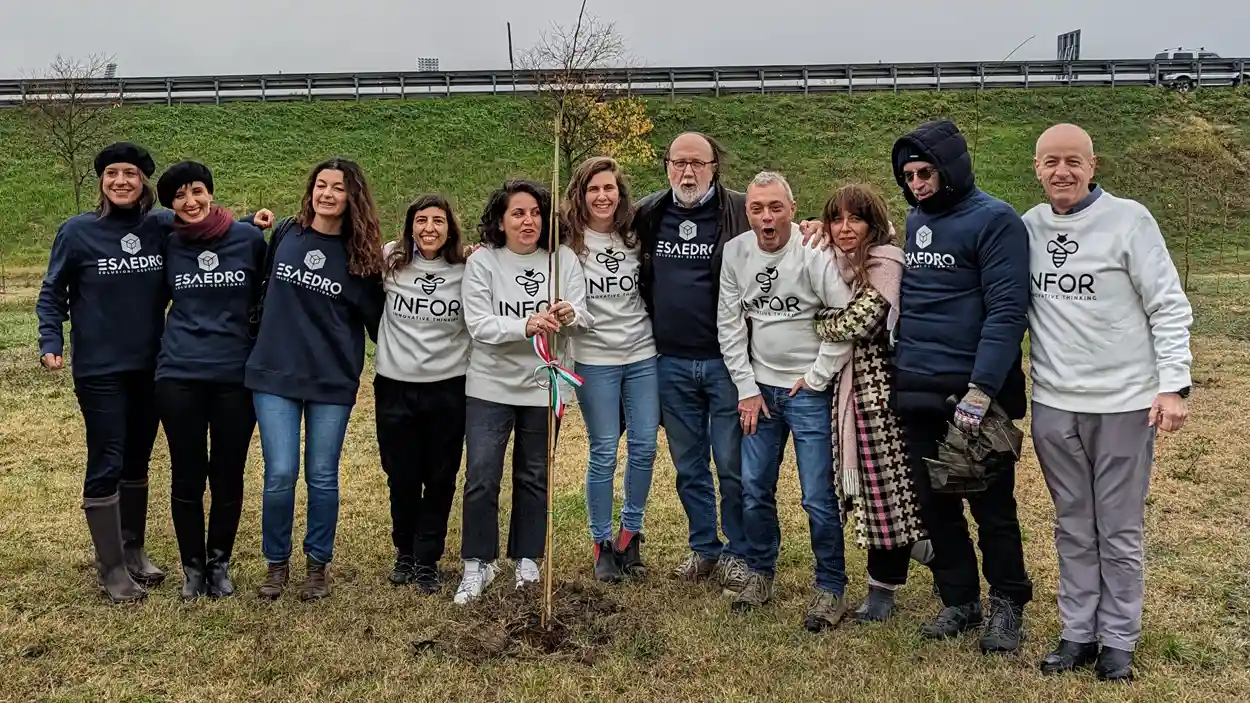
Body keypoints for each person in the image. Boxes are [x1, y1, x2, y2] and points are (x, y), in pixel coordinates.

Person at [1024, 123, 1193, 682]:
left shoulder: (1129, 220)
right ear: (1037, 167)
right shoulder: (1027, 228)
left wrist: (1173, 384)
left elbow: (1167, 304)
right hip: (1053, 401)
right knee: (1073, 525)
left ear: (1093, 166)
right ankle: (1078, 632)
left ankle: (1118, 637)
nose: (1062, 172)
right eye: (1051, 162)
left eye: (1073, 161)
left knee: (1117, 527)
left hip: (1123, 403)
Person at [886, 119, 1033, 654]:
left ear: (950, 168)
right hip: (917, 386)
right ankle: (960, 599)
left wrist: (982, 388)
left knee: (991, 505)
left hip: (972, 394)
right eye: (908, 175)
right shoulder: (916, 218)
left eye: (926, 172)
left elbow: (1006, 312)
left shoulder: (996, 221)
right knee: (933, 503)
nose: (918, 183)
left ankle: (1008, 602)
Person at [717, 172, 853, 631]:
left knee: (817, 496)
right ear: (747, 212)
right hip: (761, 392)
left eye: (775, 207)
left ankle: (829, 586)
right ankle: (759, 573)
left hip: (808, 393)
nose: (766, 217)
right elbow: (730, 325)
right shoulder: (736, 253)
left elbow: (843, 320)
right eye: (757, 208)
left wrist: (816, 378)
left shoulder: (815, 250)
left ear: (793, 209)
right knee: (754, 489)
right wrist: (747, 389)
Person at [36, 142, 171, 603]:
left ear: (144, 182)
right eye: (112, 173)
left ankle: (133, 552)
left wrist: (254, 225)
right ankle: (111, 569)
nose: (121, 181)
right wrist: (49, 339)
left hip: (151, 365)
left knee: (137, 459)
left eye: (130, 174)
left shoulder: (161, 227)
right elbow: (52, 291)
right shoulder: (77, 232)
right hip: (100, 370)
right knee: (107, 459)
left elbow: (208, 231)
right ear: (101, 180)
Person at [246, 157, 385, 602]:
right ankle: (276, 564)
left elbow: (382, 324)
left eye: (338, 187)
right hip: (274, 372)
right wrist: (250, 222)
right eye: (320, 185)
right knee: (280, 473)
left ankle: (317, 566)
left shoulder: (361, 256)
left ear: (352, 197)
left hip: (331, 378)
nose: (326, 193)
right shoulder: (287, 233)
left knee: (322, 475)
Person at [455, 179, 592, 604]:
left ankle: (527, 558)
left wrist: (569, 313)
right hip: (490, 385)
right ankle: (478, 562)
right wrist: (526, 325)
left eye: (535, 213)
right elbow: (478, 324)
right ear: (501, 220)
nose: (527, 221)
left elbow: (583, 316)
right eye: (518, 213)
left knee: (534, 476)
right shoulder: (484, 263)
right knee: (481, 475)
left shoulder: (562, 260)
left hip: (542, 385)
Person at [633, 132, 752, 594]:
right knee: (688, 466)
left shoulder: (740, 210)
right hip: (671, 362)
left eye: (697, 164)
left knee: (730, 463)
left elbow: (784, 233)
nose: (687, 172)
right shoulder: (649, 213)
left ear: (713, 167)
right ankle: (705, 546)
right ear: (666, 166)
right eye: (678, 163)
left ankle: (740, 551)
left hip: (726, 362)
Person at [811, 184, 928, 623]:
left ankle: (884, 588)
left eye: (854, 219)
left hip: (880, 395)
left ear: (872, 224)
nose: (844, 228)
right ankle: (922, 550)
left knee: (884, 493)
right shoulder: (833, 263)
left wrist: (818, 318)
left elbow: (860, 321)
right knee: (866, 494)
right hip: (843, 390)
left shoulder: (885, 263)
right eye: (836, 219)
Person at [153, 161, 267, 600]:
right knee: (186, 474)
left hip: (235, 376)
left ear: (211, 192)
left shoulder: (248, 238)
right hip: (179, 375)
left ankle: (220, 563)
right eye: (180, 196)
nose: (191, 201)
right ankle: (192, 569)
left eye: (197, 191)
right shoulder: (167, 243)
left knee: (227, 473)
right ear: (171, 206)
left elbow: (267, 293)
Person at [562, 156, 659, 583]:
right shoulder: (568, 244)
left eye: (609, 189)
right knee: (604, 450)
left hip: (642, 354)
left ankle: (629, 535)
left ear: (620, 193)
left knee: (644, 447)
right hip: (595, 359)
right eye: (593, 190)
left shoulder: (634, 236)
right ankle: (601, 542)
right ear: (581, 196)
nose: (602, 197)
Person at [374, 194, 470, 594]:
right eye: (421, 220)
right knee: (402, 475)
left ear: (450, 228)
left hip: (448, 388)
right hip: (395, 386)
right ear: (410, 225)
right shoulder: (389, 259)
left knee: (441, 476)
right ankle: (405, 552)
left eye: (438, 221)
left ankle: (428, 557)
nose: (429, 228)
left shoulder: (467, 267)